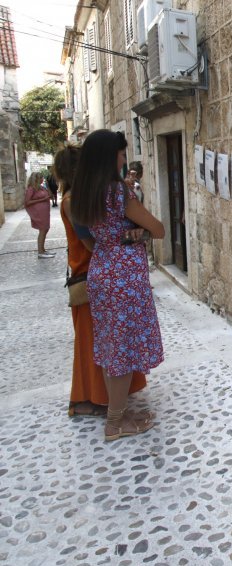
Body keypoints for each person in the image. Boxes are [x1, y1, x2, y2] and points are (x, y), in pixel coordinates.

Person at [71, 130, 165, 441]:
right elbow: (159, 229)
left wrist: (127, 233)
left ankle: (118, 414)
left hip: (101, 270)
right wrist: (139, 229)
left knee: (112, 348)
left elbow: (95, 236)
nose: (124, 159)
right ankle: (115, 423)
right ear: (110, 156)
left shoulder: (83, 194)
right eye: (122, 154)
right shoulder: (118, 192)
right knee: (123, 351)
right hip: (125, 277)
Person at [54, 144, 148, 418]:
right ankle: (96, 400)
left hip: (95, 273)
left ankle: (111, 400)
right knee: (95, 343)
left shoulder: (83, 197)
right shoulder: (73, 201)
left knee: (105, 342)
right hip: (89, 274)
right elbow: (92, 244)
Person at [24, 171, 55, 259]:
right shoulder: (31, 189)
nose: (42, 179)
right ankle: (40, 252)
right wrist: (42, 200)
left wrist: (48, 186)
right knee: (43, 230)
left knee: (46, 229)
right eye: (41, 177)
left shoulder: (41, 187)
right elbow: (27, 202)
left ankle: (43, 249)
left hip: (44, 212)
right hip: (39, 213)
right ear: (36, 179)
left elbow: (50, 195)